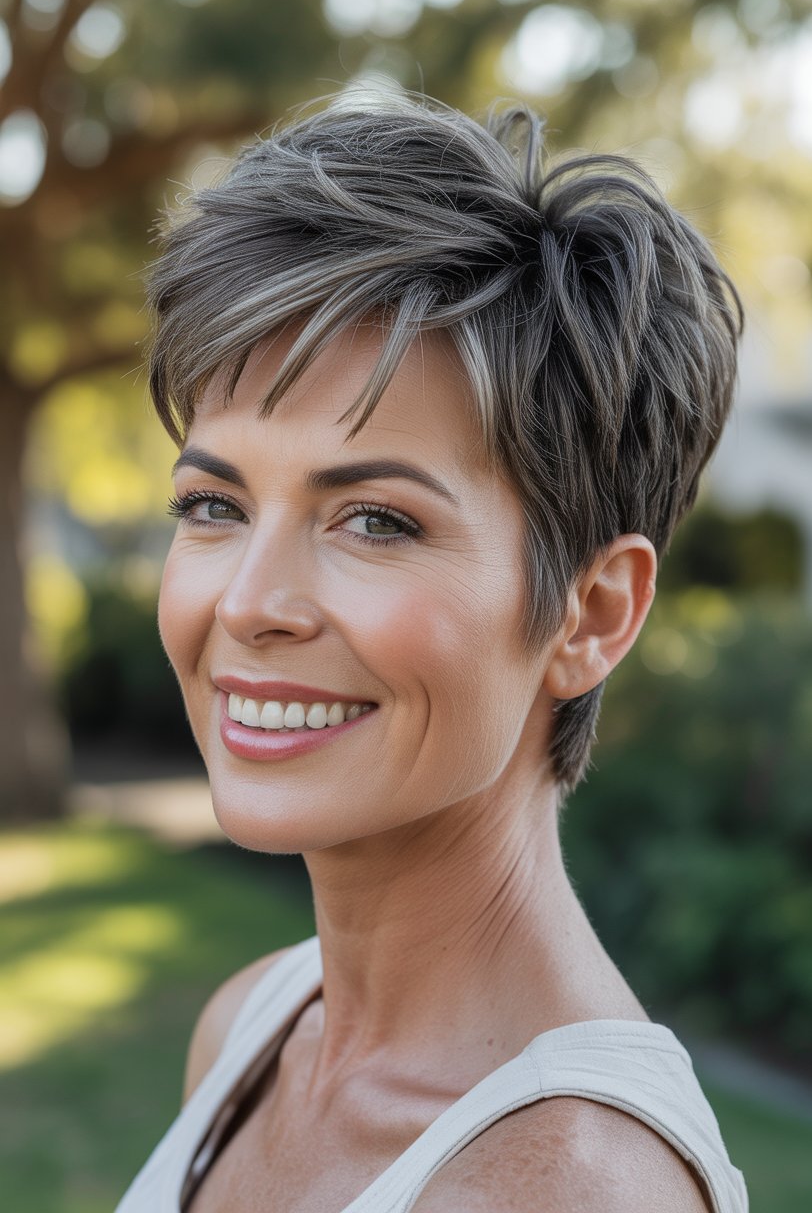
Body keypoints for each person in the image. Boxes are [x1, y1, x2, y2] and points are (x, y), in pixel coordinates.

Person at [117, 91, 747, 1212]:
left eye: (376, 521)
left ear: (591, 614)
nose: (250, 603)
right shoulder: (250, 1027)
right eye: (213, 503)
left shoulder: (573, 1188)